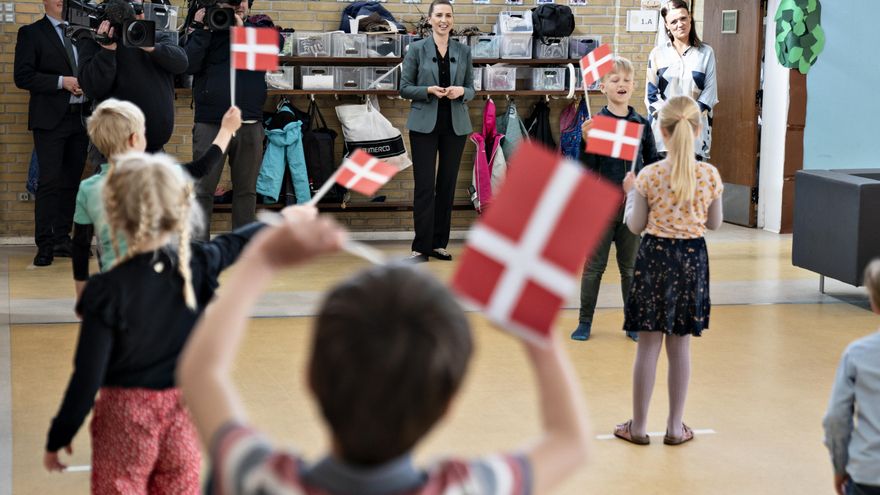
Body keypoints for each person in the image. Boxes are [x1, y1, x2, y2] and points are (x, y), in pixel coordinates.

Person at [178, 227, 592, 494]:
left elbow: (200, 372)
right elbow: (570, 443)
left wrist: (261, 261)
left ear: (310, 378)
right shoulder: (468, 490)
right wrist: (540, 336)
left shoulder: (260, 481)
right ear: (448, 405)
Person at [43, 151, 315, 492]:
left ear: (115, 215)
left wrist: (61, 433)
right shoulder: (197, 264)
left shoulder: (105, 290)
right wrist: (284, 218)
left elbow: (87, 374)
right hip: (183, 413)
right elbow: (236, 242)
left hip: (125, 418)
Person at [613, 95, 723, 446]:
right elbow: (716, 223)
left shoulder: (649, 175)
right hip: (691, 261)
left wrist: (631, 194)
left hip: (654, 258)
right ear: (699, 128)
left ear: (660, 131)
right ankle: (675, 428)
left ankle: (639, 427)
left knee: (647, 347)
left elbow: (635, 226)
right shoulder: (708, 175)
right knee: (681, 349)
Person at [70, 98, 243, 304]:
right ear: (135, 139)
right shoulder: (160, 173)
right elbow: (202, 167)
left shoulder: (88, 189)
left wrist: (81, 292)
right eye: (144, 132)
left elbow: (80, 244)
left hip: (114, 291)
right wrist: (226, 129)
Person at [571, 57, 661, 343]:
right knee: (593, 268)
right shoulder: (595, 124)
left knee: (631, 268)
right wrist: (585, 143)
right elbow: (586, 168)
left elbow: (653, 162)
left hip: (632, 209)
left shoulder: (642, 124)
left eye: (626, 80)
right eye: (614, 79)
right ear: (602, 87)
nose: (621, 84)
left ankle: (632, 321)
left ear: (634, 85)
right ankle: (584, 321)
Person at [185, 0, 273, 239]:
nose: (235, 6)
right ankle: (198, 245)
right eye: (229, 2)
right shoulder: (206, 31)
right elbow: (188, 64)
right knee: (202, 188)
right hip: (211, 123)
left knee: (246, 190)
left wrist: (241, 30)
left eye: (240, 1)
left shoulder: (259, 28)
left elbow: (271, 56)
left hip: (249, 123)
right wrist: (201, 29)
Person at [13, 0, 90, 267]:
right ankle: (44, 245)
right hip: (50, 121)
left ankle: (61, 239)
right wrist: (62, 82)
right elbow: (22, 76)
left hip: (81, 121)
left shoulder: (84, 34)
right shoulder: (31, 33)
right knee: (49, 183)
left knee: (71, 183)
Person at [400, 0, 474, 263]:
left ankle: (439, 244)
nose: (444, 20)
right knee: (424, 186)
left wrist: (462, 91)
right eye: (439, 15)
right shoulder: (417, 49)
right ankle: (421, 247)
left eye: (449, 15)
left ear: (453, 20)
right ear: (430, 19)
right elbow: (404, 87)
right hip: (423, 126)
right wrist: (428, 90)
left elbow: (472, 88)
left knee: (447, 186)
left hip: (455, 126)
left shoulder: (463, 51)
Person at [77, 0, 188, 153]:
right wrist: (107, 50)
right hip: (114, 150)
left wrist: (146, 43)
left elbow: (181, 63)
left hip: (154, 149)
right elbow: (92, 88)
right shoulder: (92, 40)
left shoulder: (156, 37)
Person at [823, 259, 880, 495]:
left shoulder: (857, 354)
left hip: (868, 474)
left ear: (874, 303)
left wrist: (840, 466)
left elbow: (836, 418)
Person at [646, 0, 718, 160]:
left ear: (690, 18)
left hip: (694, 134)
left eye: (683, 18)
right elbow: (651, 96)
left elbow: (710, 94)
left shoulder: (706, 53)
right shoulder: (657, 54)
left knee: (690, 183)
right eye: (673, 21)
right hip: (663, 135)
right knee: (661, 183)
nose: (680, 24)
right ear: (666, 25)